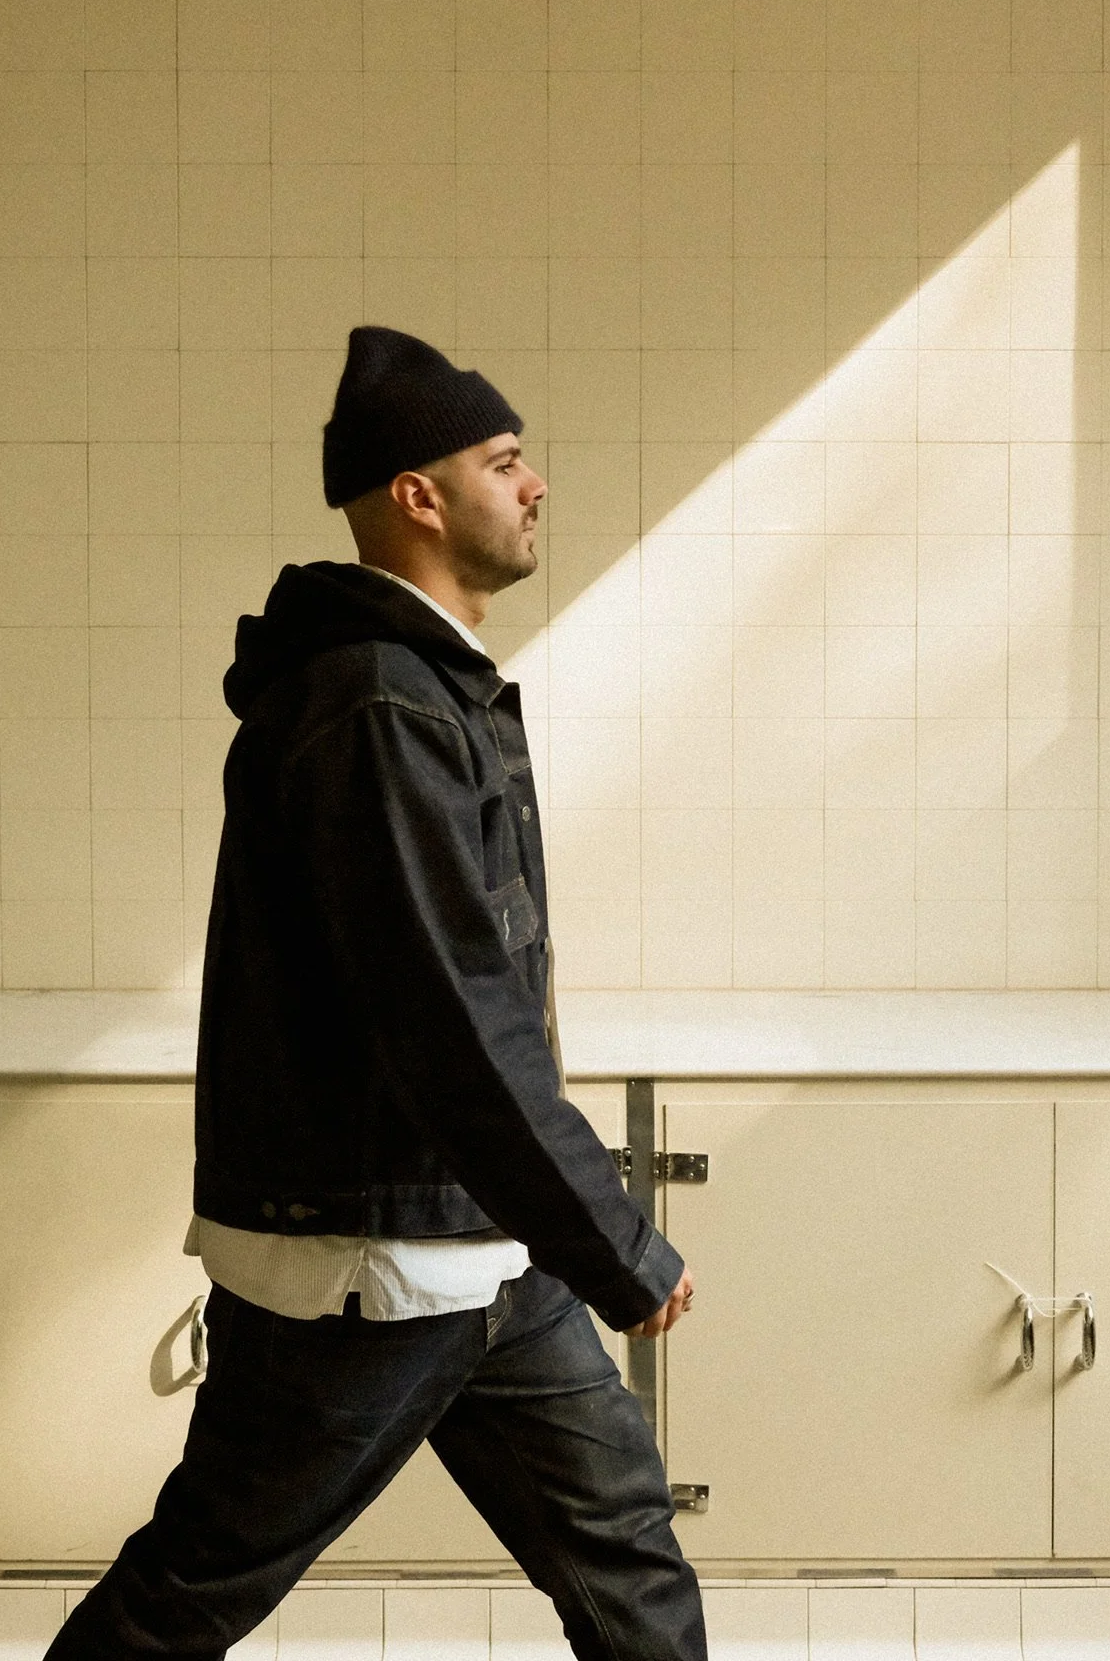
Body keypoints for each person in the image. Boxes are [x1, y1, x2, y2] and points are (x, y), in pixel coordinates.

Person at [47, 326, 704, 1661]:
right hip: (372, 1260)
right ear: (419, 495)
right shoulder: (379, 704)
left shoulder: (419, 686)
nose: (534, 484)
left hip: (474, 1241)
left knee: (625, 1548)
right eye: (504, 461)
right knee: (200, 1581)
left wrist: (565, 1234)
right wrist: (615, 1244)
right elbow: (455, 1016)